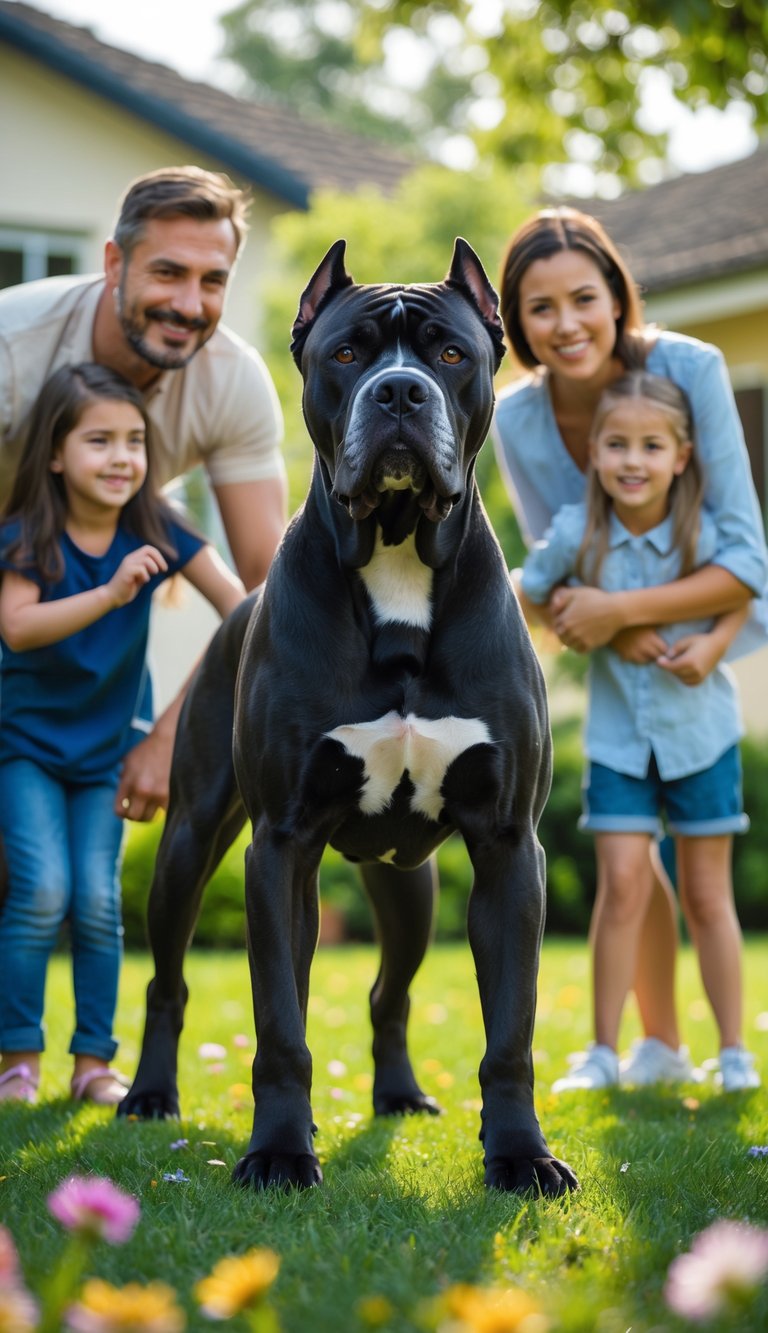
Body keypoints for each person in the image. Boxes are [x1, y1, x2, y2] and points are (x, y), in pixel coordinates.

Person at [493, 206, 768, 1087]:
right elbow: (551, 576)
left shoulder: (691, 370)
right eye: (540, 308)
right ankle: (653, 1044)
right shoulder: (518, 420)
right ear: (517, 322)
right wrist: (604, 619)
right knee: (626, 862)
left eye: (584, 298)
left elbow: (746, 558)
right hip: (617, 671)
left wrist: (625, 612)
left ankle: (694, 1046)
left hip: (692, 666)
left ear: (617, 295)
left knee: (693, 874)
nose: (566, 324)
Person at [0, 166, 287, 822]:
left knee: (65, 875)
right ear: (113, 262)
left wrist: (168, 736)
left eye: (212, 281)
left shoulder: (233, 383)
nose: (190, 305)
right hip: (17, 609)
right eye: (168, 272)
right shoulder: (10, 351)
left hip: (99, 647)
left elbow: (267, 593)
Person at [0, 363, 246, 1104]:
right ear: (53, 453)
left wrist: (176, 720)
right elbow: (15, 626)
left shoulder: (159, 530)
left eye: (134, 442)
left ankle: (93, 1065)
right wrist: (109, 594)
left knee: (100, 901)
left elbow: (242, 608)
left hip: (107, 749)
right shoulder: (27, 536)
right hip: (27, 747)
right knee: (42, 891)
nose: (120, 458)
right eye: (98, 440)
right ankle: (17, 1060)